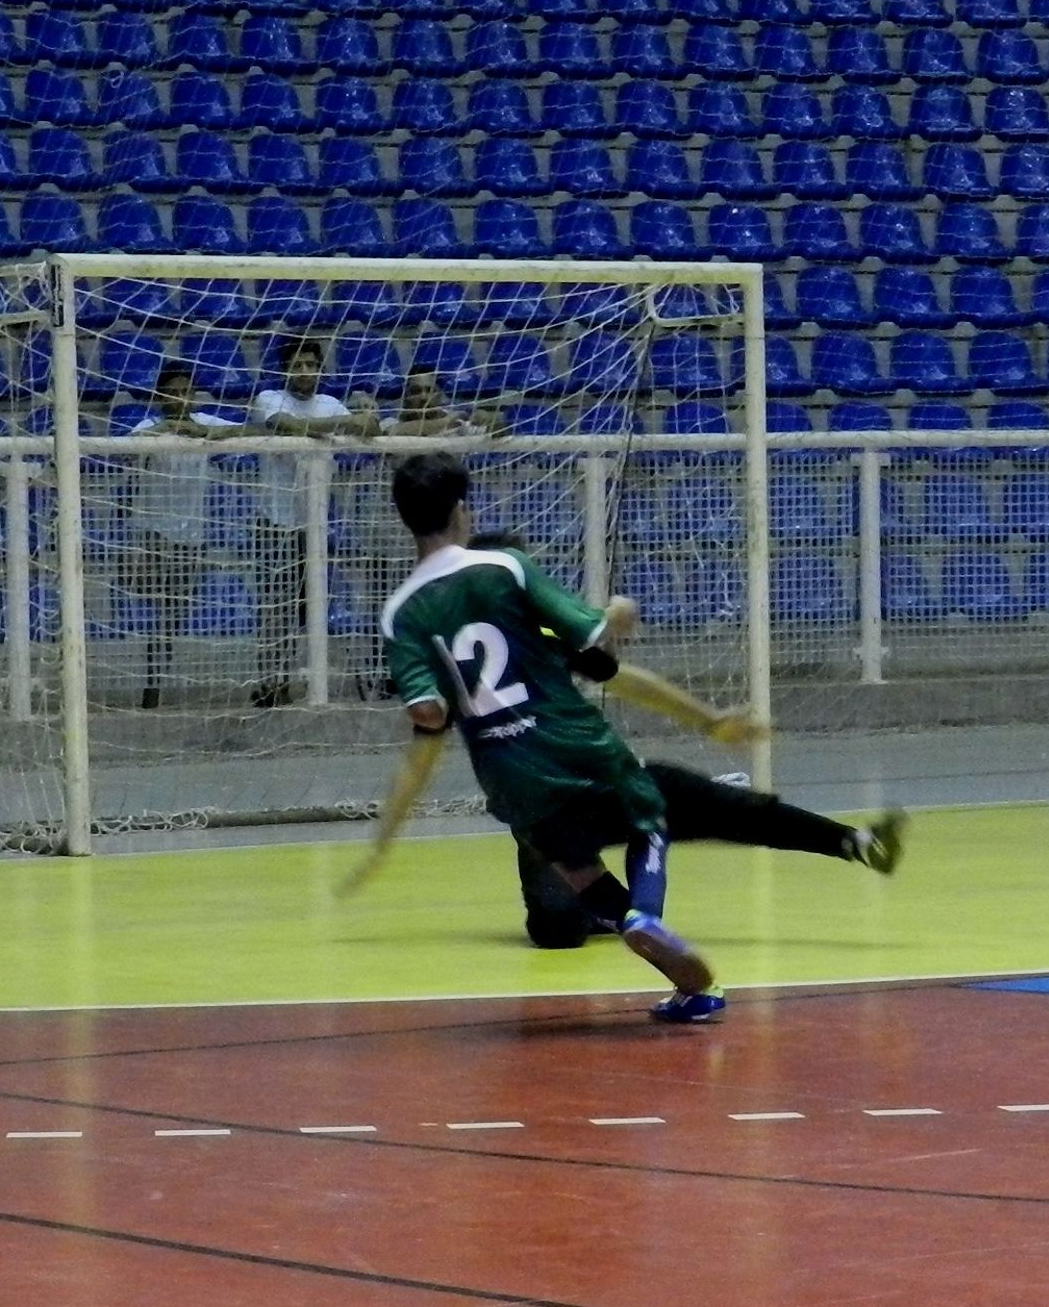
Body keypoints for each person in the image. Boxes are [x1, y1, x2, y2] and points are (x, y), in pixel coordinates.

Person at [374, 452, 723, 1022]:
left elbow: (429, 713)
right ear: (463, 509)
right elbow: (591, 636)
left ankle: (685, 989)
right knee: (650, 815)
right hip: (570, 738)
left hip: (505, 771)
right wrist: (617, 611)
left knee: (576, 866)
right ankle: (645, 915)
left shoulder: (399, 612)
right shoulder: (504, 566)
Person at [460, 528, 906, 948]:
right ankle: (621, 913)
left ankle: (854, 843)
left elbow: (621, 677)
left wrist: (709, 720)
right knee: (557, 931)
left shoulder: (540, 632)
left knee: (708, 804)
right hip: (539, 805)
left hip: (584, 789)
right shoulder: (451, 646)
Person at [248, 337, 379, 708]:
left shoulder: (330, 403)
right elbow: (286, 425)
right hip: (273, 523)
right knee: (276, 607)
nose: (305, 372)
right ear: (285, 370)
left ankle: (319, 681)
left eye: (311, 365)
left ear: (321, 369)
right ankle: (272, 682)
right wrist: (341, 423)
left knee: (316, 605)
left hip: (317, 525)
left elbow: (370, 426)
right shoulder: (268, 398)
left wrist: (342, 422)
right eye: (297, 366)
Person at [124, 365, 242, 709]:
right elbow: (128, 447)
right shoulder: (147, 427)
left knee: (171, 615)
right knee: (155, 609)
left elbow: (250, 430)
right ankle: (151, 678)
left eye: (186, 391)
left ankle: (156, 677)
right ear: (160, 397)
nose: (180, 398)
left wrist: (204, 433)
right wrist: (166, 429)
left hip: (192, 539)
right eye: (172, 392)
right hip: (151, 536)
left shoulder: (204, 423)